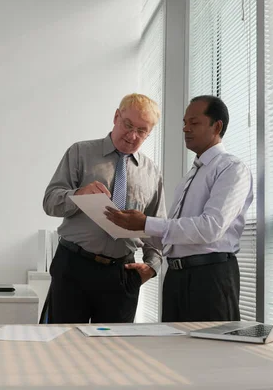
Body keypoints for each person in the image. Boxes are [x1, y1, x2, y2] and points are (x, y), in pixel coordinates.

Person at [105, 95, 253, 322]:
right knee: (172, 349)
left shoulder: (231, 168)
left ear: (217, 126)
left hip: (210, 277)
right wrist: (135, 235)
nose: (185, 129)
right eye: (184, 123)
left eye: (194, 123)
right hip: (176, 277)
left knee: (211, 352)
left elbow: (210, 228)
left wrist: (145, 223)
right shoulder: (190, 176)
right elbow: (172, 234)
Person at [42, 93, 166, 323]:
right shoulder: (80, 153)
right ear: (116, 116)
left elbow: (157, 226)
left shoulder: (152, 173)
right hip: (73, 266)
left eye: (141, 131)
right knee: (64, 346)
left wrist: (152, 266)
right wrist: (77, 195)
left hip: (122, 274)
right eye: (128, 125)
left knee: (113, 352)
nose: (132, 136)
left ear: (149, 133)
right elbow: (50, 201)